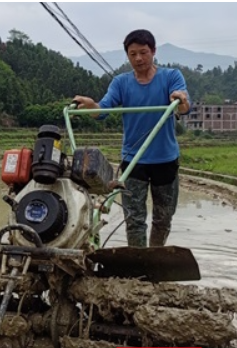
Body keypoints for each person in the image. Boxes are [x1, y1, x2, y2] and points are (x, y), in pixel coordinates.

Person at [73, 29, 191, 248]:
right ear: (127, 55)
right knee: (134, 219)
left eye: (143, 52)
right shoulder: (121, 83)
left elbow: (183, 107)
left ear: (153, 51)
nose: (138, 58)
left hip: (165, 159)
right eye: (133, 53)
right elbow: (103, 110)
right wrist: (92, 106)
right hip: (133, 162)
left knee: (163, 218)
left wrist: (179, 99)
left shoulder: (171, 77)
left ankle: (156, 255)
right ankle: (139, 259)